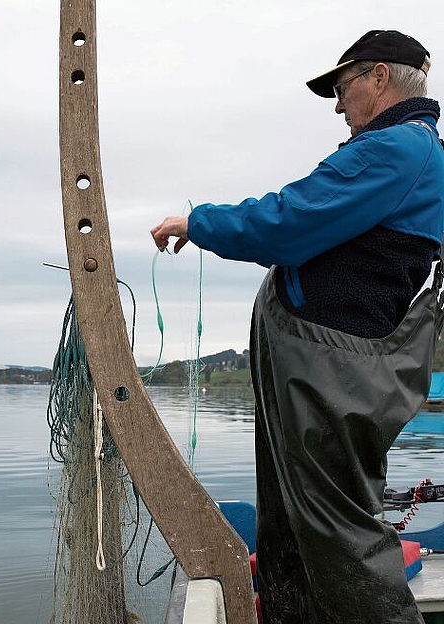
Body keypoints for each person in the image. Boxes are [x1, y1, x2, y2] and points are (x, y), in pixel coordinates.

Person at [151, 30, 444, 624]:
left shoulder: (395, 149)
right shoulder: (418, 153)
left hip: (331, 373)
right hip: (331, 371)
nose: (339, 107)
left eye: (342, 88)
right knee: (294, 519)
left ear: (379, 77)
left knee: (339, 536)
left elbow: (289, 219)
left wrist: (198, 222)